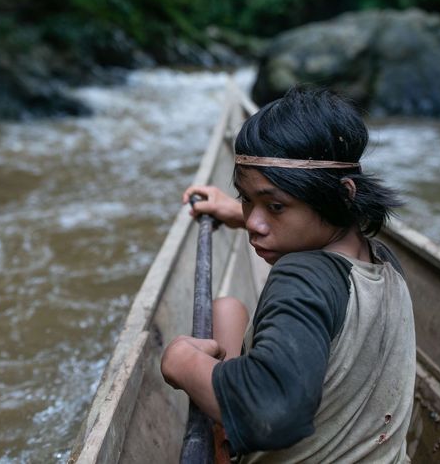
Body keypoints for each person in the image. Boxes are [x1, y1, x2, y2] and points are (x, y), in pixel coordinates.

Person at [160, 86, 416, 463]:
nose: (254, 223)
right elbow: (279, 216)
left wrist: (181, 362)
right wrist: (239, 210)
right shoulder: (382, 261)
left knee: (216, 327)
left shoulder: (301, 277)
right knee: (227, 308)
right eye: (248, 199)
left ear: (342, 195)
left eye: (275, 206)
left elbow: (271, 413)